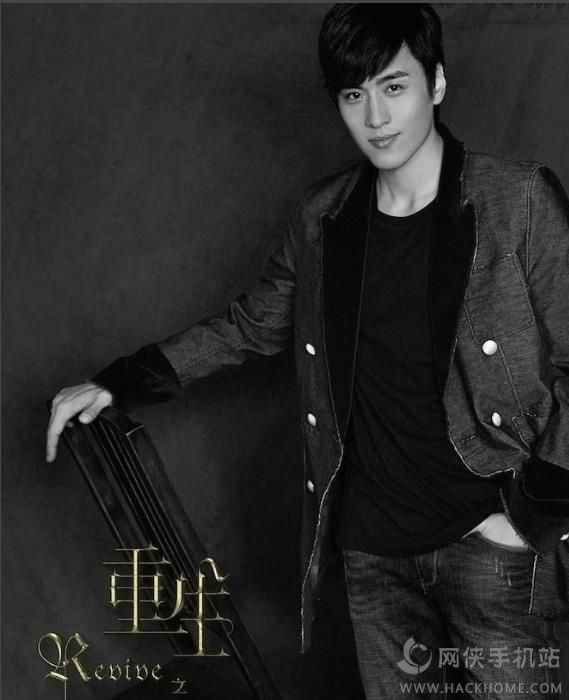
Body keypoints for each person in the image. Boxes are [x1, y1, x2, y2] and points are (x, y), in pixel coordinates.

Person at [47, 5, 569, 698]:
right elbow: (251, 325)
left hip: (489, 544)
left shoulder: (517, 199)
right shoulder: (324, 216)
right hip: (373, 556)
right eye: (354, 95)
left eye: (394, 87)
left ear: (436, 83)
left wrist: (534, 517)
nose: (375, 117)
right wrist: (120, 382)